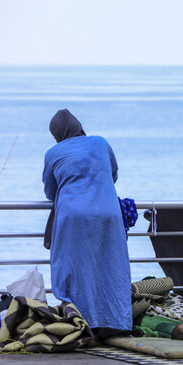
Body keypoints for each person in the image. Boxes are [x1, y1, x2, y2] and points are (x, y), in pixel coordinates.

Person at [43, 109, 132, 339]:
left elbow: (50, 191)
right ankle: (115, 324)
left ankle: (80, 324)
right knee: (111, 267)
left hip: (73, 218)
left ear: (56, 134)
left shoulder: (53, 153)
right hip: (108, 214)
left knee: (73, 269)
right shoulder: (100, 142)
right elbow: (113, 174)